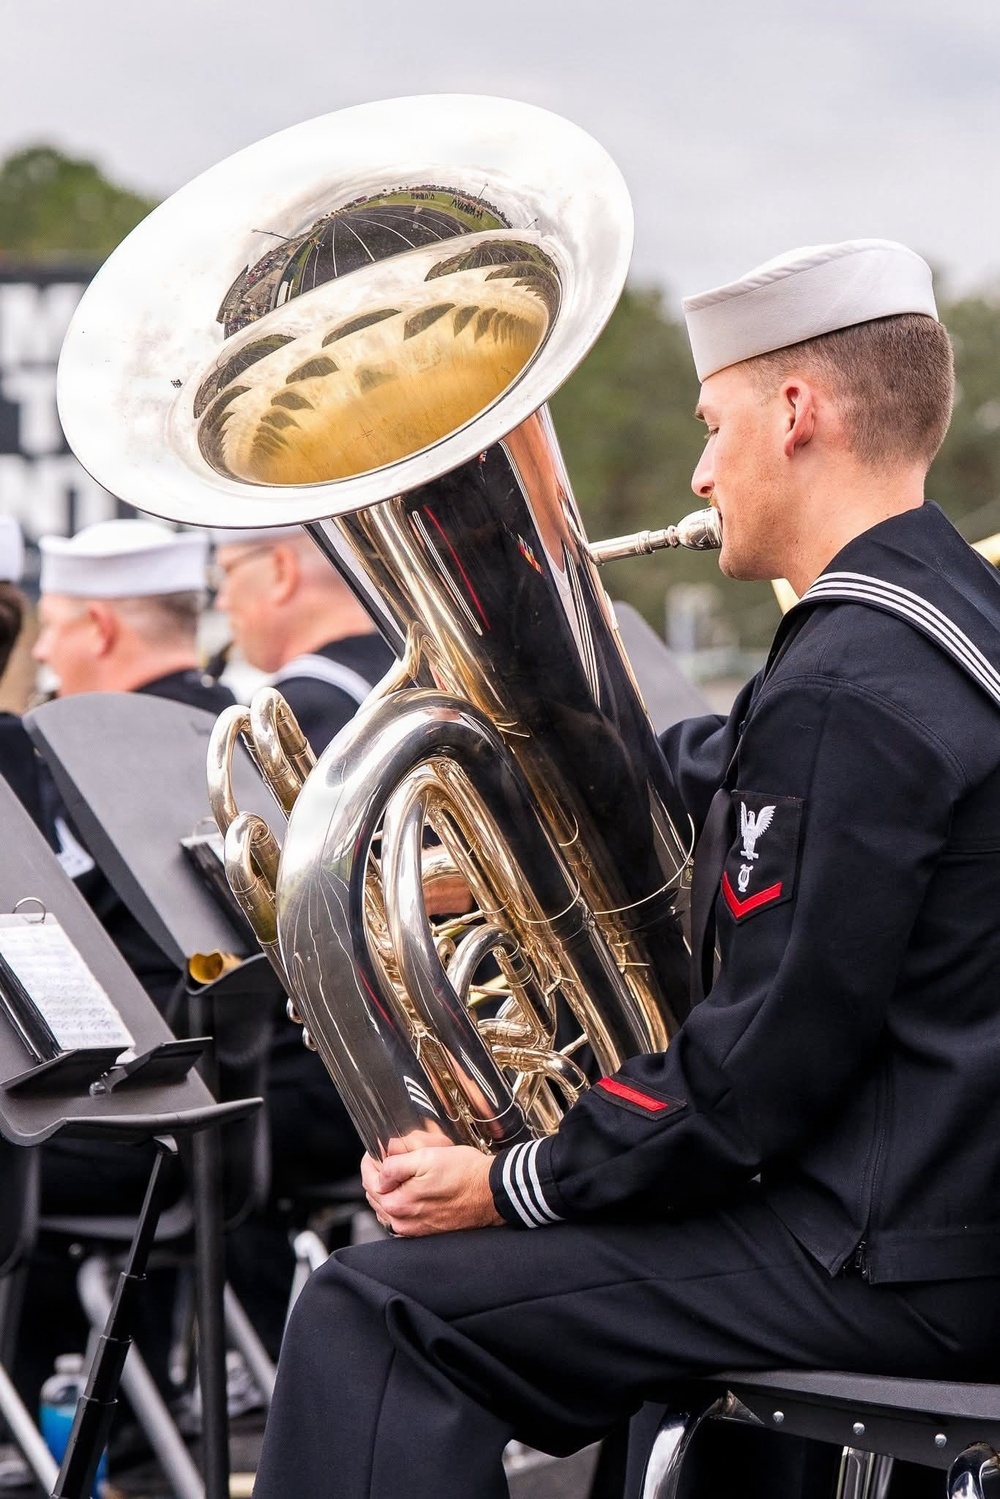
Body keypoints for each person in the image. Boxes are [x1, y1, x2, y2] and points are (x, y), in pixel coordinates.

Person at [252, 238, 1000, 1499]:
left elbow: (750, 1081)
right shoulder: (950, 620)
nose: (702, 470)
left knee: (377, 1306)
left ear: (797, 413)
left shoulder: (848, 683)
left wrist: (510, 1178)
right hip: (936, 1215)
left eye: (714, 426)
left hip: (888, 1257)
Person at [211, 525, 395, 754]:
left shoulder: (283, 719)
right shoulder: (424, 671)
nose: (222, 600)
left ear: (281, 569)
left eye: (226, 571)